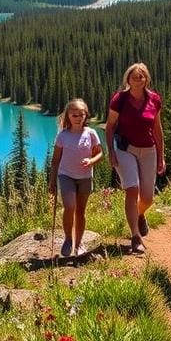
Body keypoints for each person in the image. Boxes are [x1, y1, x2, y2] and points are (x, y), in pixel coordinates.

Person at [105, 62, 166, 254]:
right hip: (125, 149)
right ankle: (135, 236)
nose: (138, 80)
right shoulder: (120, 99)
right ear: (128, 79)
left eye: (141, 76)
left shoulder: (154, 99)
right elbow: (109, 127)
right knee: (132, 189)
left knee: (147, 198)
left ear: (146, 78)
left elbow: (157, 128)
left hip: (149, 150)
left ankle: (140, 214)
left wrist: (161, 156)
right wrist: (111, 152)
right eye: (134, 77)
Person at [48, 98, 104, 256]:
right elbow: (55, 160)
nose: (78, 118)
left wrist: (91, 161)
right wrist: (52, 181)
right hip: (66, 176)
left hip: (85, 177)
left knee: (80, 211)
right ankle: (68, 239)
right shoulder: (62, 136)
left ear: (86, 115)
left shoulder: (91, 133)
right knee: (70, 206)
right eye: (74, 115)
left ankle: (78, 244)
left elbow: (100, 153)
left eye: (81, 115)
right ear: (68, 117)